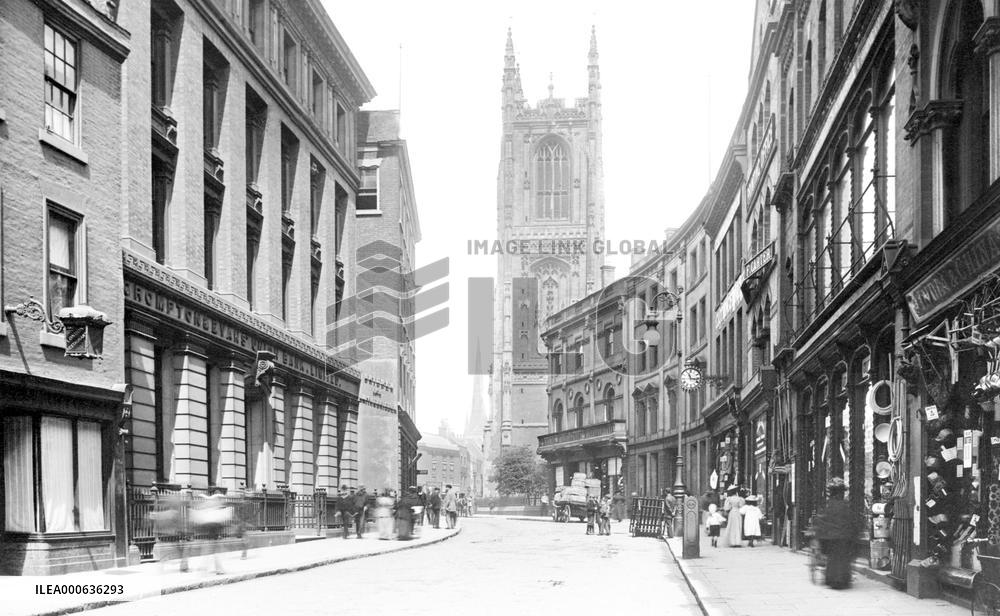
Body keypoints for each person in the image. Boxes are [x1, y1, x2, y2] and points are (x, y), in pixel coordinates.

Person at [815, 477, 860, 589]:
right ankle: (843, 578)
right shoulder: (846, 506)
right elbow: (853, 521)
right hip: (844, 537)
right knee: (843, 557)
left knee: (833, 557)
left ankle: (832, 578)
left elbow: (823, 521)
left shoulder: (828, 506)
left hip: (831, 538)